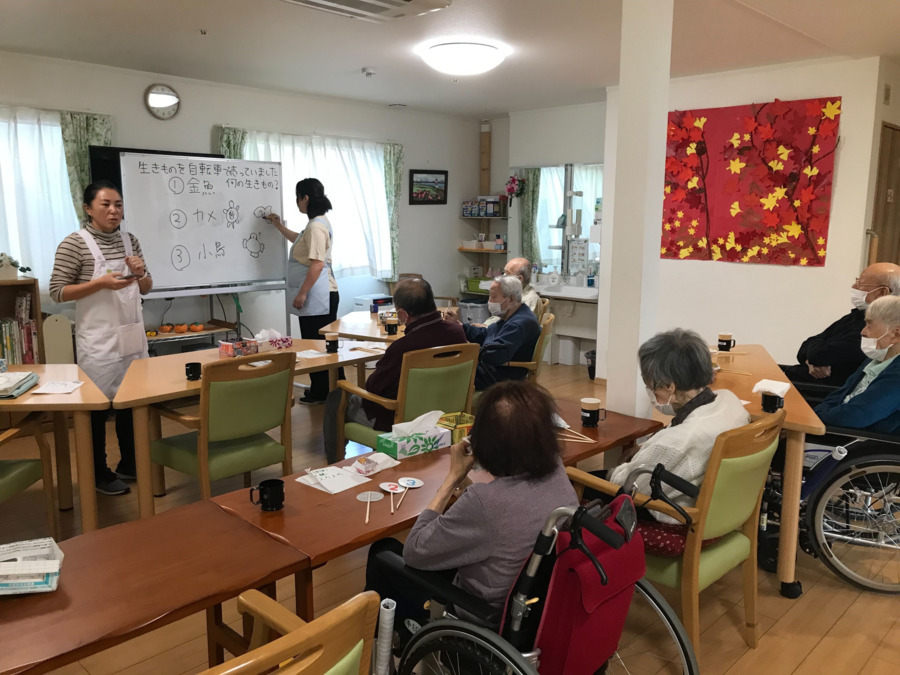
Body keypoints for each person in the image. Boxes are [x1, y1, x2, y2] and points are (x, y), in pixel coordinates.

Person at [365, 381, 579, 629]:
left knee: (383, 553)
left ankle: (397, 639)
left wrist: (452, 478)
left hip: (481, 614)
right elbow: (500, 518)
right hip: (534, 606)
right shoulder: (556, 469)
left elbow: (414, 551)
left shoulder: (484, 502)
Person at [49, 181, 152, 496]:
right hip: (100, 341)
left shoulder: (129, 240)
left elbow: (146, 288)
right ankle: (98, 473)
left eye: (118, 204)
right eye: (106, 204)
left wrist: (141, 272)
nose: (113, 210)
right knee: (95, 411)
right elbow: (57, 291)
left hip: (133, 337)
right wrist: (101, 283)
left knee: (130, 405)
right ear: (88, 208)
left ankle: (131, 464)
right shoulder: (75, 243)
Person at [608, 329, 749, 524]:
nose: (649, 390)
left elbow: (626, 487)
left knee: (577, 483)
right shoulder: (729, 401)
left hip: (673, 520)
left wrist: (617, 470)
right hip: (726, 515)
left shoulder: (676, 443)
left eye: (650, 385)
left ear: (669, 387)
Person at [322, 277, 466, 463]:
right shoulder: (457, 332)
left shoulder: (404, 347)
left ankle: (334, 463)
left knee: (336, 398)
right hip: (445, 415)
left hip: (401, 420)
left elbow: (373, 388)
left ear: (403, 314)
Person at [266, 178, 340, 403]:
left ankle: (323, 392)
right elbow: (299, 241)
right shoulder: (316, 224)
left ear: (305, 198)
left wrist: (302, 293)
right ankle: (323, 389)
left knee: (316, 346)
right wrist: (279, 226)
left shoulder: (316, 226)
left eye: (297, 197)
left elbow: (317, 264)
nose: (297, 202)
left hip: (318, 295)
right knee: (316, 344)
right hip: (318, 294)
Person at [781, 262, 900, 388]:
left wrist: (814, 356)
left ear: (882, 292)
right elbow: (807, 345)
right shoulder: (855, 316)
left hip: (815, 391)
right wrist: (810, 361)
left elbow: (818, 354)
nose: (854, 286)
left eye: (860, 284)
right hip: (798, 381)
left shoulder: (877, 329)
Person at [813, 295, 900, 434]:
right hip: (834, 426)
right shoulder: (874, 360)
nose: (863, 331)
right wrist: (816, 415)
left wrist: (815, 419)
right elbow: (839, 395)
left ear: (896, 334)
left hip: (861, 442)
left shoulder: (897, 376)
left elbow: (858, 415)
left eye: (870, 325)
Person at [445, 275, 540, 390]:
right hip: (494, 370)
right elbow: (486, 333)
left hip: (500, 376)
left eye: (493, 297)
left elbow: (494, 355)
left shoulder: (517, 324)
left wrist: (468, 350)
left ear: (510, 299)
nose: (489, 301)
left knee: (447, 373)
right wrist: (459, 326)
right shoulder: (514, 315)